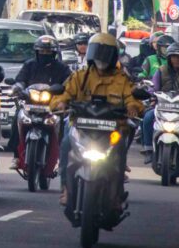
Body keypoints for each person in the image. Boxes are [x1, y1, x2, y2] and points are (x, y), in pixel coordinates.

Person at [50, 33, 144, 206]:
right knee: (65, 145)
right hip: (81, 126)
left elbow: (132, 98)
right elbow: (65, 93)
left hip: (111, 129)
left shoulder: (122, 79)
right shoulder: (80, 76)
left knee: (119, 151)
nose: (101, 58)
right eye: (97, 52)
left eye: (105, 53)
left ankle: (116, 195)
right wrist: (61, 103)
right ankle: (65, 188)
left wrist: (132, 107)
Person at [8, 35, 71, 169]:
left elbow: (69, 84)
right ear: (37, 52)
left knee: (65, 124)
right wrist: (18, 88)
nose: (44, 54)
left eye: (48, 52)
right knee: (17, 117)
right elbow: (21, 80)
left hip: (53, 107)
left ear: (54, 53)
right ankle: (16, 156)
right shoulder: (29, 65)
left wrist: (62, 93)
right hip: (30, 103)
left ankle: (61, 158)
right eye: (42, 51)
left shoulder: (62, 68)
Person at [140, 42, 179, 161]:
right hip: (162, 106)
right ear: (169, 58)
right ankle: (148, 148)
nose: (176, 60)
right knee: (147, 117)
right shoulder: (161, 70)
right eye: (174, 57)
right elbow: (153, 87)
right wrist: (150, 94)